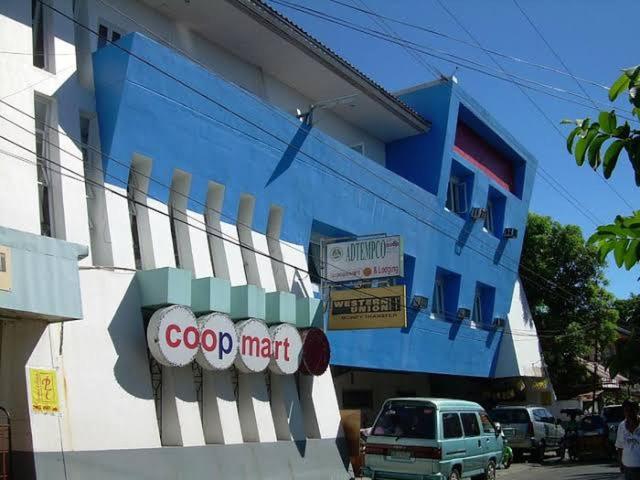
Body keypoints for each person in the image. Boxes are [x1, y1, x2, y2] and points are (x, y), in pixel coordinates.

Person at [616, 400, 640, 479]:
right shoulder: (621, 426)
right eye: (626, 411)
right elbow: (620, 447)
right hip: (628, 468)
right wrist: (621, 465)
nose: (629, 413)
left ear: (637, 410)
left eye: (631, 410)